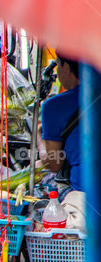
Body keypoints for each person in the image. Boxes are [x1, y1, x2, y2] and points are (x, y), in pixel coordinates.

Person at [42, 54, 82, 192]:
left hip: (85, 196)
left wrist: (39, 136)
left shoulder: (54, 106)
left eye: (58, 65)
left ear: (65, 67)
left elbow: (53, 164)